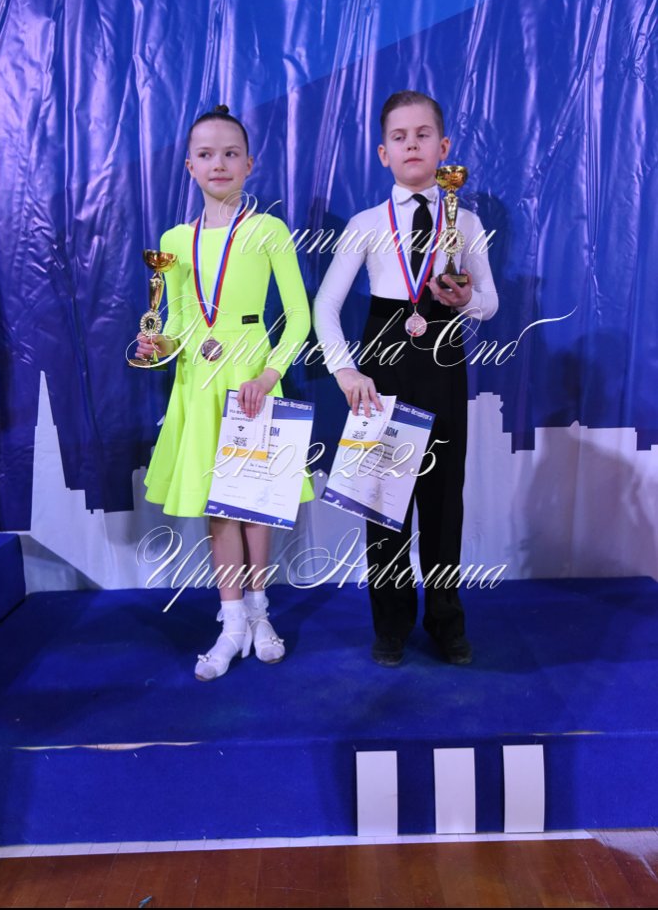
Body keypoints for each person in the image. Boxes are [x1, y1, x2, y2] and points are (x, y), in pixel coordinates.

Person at [313, 90, 498, 666]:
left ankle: (445, 620)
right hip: (383, 364)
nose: (411, 145)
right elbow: (326, 305)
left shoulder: (465, 220)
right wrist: (345, 369)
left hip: (442, 360)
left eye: (423, 135)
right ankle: (390, 623)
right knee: (383, 501)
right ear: (383, 153)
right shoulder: (367, 224)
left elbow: (490, 301)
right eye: (399, 137)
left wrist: (466, 301)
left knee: (443, 500)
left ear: (444, 148)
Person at [136, 105, 312, 680]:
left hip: (252, 379)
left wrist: (269, 374)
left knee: (254, 504)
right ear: (189, 165)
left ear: (249, 164)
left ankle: (260, 614)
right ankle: (231, 622)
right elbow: (177, 321)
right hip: (199, 383)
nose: (219, 163)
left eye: (231, 153)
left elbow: (299, 316)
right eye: (206, 154)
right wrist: (157, 345)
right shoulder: (173, 241)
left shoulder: (268, 231)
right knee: (219, 509)